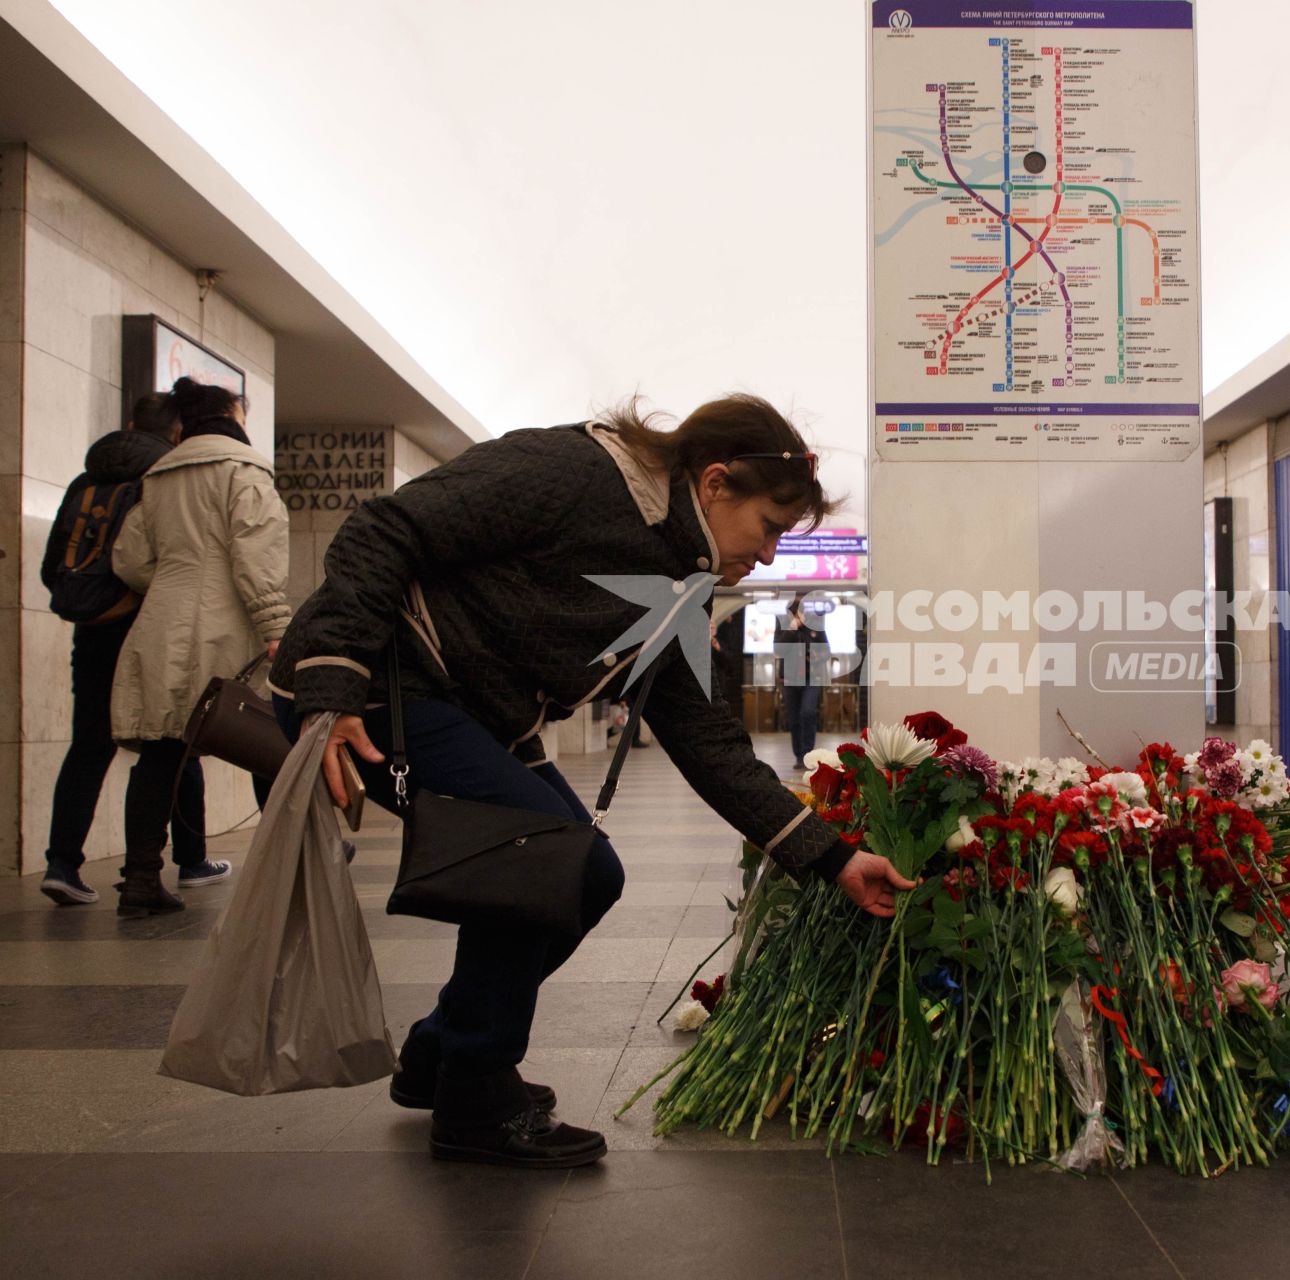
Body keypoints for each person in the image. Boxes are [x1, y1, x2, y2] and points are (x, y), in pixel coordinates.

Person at [268, 394, 915, 1169]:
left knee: (582, 875)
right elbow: (386, 527)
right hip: (378, 688)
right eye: (769, 527)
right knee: (537, 856)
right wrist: (332, 685)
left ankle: (442, 1054)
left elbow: (713, 745)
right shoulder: (575, 471)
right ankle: (474, 1092)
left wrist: (834, 858)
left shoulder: (680, 586)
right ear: (714, 484)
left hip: (468, 712)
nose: (770, 555)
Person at [110, 378, 289, 917]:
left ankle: (140, 877)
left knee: (161, 752)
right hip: (228, 624)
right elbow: (256, 553)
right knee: (267, 738)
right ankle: (294, 856)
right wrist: (275, 624)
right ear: (233, 412)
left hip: (162, 623)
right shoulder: (244, 470)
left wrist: (176, 583)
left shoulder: (158, 476)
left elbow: (131, 559)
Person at [37, 394, 202, 905]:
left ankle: (62, 864)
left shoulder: (84, 483)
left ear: (130, 424)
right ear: (176, 434)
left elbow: (51, 568)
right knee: (171, 739)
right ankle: (188, 861)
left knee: (89, 745)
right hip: (143, 626)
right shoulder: (162, 481)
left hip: (91, 629)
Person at [774, 594, 822, 772]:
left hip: (812, 677)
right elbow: (778, 649)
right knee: (794, 719)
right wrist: (792, 629)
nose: (797, 615)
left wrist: (815, 655)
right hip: (789, 678)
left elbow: (825, 650)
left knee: (808, 712)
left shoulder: (815, 625)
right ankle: (799, 756)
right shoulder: (783, 626)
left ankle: (808, 754)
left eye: (800, 612)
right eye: (794, 613)